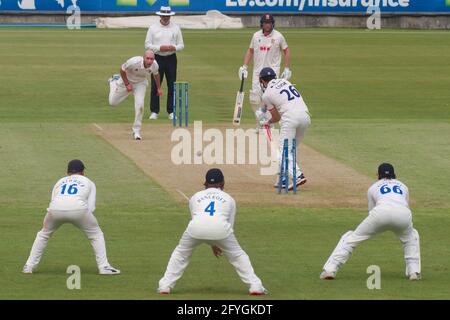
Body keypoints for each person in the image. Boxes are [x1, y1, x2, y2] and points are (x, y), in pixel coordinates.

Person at [158, 169, 267, 295]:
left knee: (181, 253)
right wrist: (217, 243)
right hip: (221, 231)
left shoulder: (195, 196)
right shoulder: (229, 199)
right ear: (223, 183)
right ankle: (255, 286)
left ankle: (165, 286)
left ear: (205, 183)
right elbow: (229, 226)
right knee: (238, 255)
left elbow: (199, 219)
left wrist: (213, 243)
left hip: (195, 229)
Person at [320, 163, 421, 281]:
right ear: (395, 174)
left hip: (380, 213)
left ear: (378, 175)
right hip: (403, 214)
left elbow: (371, 211)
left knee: (351, 238)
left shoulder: (373, 187)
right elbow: (405, 205)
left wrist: (376, 227)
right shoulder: (404, 186)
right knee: (411, 237)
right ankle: (414, 272)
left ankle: (330, 270)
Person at [22, 160, 120, 275]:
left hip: (55, 210)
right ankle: (104, 267)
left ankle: (28, 266)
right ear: (83, 172)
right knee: (96, 234)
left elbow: (53, 200)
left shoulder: (60, 181)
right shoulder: (89, 182)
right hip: (79, 209)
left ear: (67, 172)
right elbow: (91, 207)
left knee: (43, 234)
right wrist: (81, 218)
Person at [258, 67, 310, 190]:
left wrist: (267, 122)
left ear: (262, 81)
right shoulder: (285, 81)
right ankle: (282, 179)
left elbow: (276, 117)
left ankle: (298, 175)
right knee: (290, 151)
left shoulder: (266, 94)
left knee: (282, 153)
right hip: (305, 116)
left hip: (290, 119)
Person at [238, 13, 291, 129]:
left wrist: (287, 68)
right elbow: (251, 50)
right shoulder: (256, 36)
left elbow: (286, 50)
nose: (267, 25)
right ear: (262, 24)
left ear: (273, 24)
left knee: (270, 99)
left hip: (272, 75)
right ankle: (260, 122)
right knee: (255, 99)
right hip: (257, 73)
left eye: (269, 23)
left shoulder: (278, 36)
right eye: (266, 23)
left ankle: (269, 123)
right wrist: (244, 66)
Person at [108, 50, 162, 140]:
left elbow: (156, 74)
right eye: (147, 58)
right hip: (126, 81)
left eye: (151, 59)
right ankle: (114, 81)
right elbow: (122, 69)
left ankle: (136, 131)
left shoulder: (155, 65)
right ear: (143, 57)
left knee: (140, 105)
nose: (149, 61)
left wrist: (159, 88)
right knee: (112, 102)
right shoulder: (134, 61)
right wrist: (127, 84)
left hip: (140, 83)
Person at [145, 6, 184, 121]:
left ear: (170, 16)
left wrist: (174, 47)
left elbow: (181, 45)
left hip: (171, 58)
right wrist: (159, 48)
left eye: (167, 16)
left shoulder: (176, 28)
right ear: (160, 16)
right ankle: (154, 111)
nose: (165, 18)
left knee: (172, 85)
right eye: (163, 16)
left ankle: (171, 111)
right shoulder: (153, 28)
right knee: (156, 85)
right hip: (157, 58)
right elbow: (147, 45)